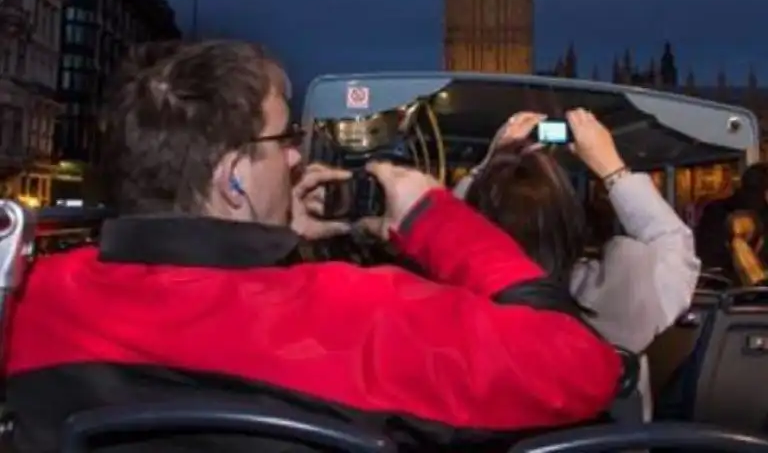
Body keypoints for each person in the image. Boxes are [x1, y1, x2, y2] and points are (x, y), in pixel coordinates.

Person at [5, 41, 621, 453]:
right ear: (234, 177)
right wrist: (436, 219)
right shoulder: (368, 316)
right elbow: (583, 366)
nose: (299, 156)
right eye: (286, 139)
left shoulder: (27, 298)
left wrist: (272, 246)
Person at [454, 109, 701, 418]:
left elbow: (440, 233)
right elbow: (673, 241)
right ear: (571, 222)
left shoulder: (452, 293)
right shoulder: (622, 298)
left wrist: (490, 166)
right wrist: (612, 169)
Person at [695, 163, 768, 277]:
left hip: (720, 287)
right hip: (737, 287)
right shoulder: (759, 215)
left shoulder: (715, 210)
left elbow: (707, 256)